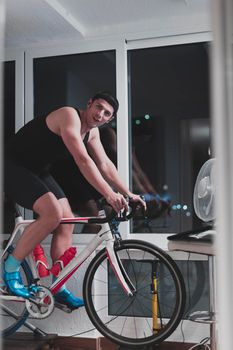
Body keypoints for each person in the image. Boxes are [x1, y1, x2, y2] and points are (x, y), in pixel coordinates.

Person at [4, 91, 146, 308]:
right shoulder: (68, 115)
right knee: (52, 214)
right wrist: (109, 194)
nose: (100, 114)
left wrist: (128, 193)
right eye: (98, 107)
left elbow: (105, 165)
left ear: (110, 119)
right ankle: (10, 270)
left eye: (106, 113)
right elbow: (82, 160)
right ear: (89, 104)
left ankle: (58, 285)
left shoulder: (93, 133)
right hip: (13, 165)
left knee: (67, 221)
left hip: (37, 170)